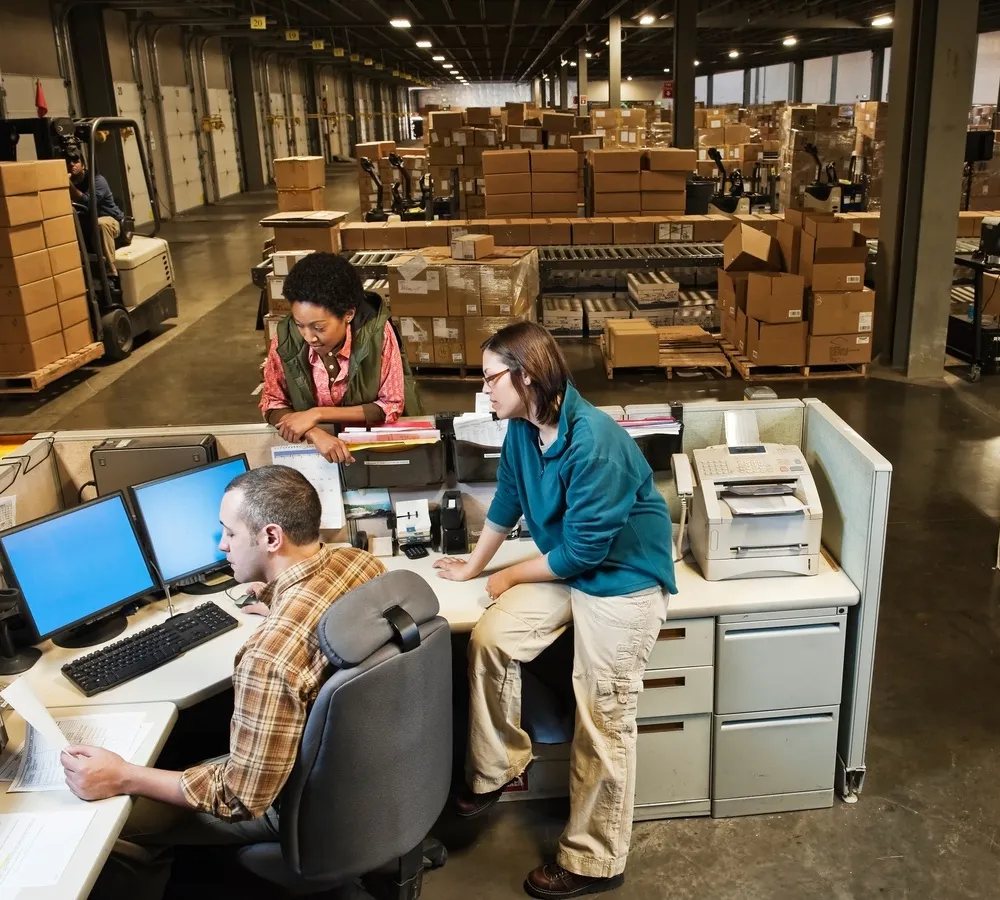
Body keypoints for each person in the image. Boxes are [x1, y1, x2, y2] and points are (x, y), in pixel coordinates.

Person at [61, 465, 386, 900]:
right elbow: (322, 614)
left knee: (120, 826)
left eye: (229, 534)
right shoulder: (360, 563)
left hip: (299, 801)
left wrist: (123, 777)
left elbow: (240, 797)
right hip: (373, 769)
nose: (221, 546)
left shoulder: (269, 658)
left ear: (271, 538)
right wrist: (278, 605)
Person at [433, 322, 676, 899]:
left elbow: (585, 551)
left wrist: (512, 573)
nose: (484, 389)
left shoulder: (596, 442)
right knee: (490, 640)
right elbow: (510, 498)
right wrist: (474, 565)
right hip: (568, 566)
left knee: (603, 713)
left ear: (528, 375)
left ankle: (596, 860)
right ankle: (497, 768)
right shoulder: (522, 427)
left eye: (492, 377)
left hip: (622, 577)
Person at [260, 252, 419, 463]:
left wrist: (317, 414)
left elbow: (390, 405)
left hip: (376, 448)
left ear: (348, 315)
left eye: (319, 327)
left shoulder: (377, 334)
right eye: (300, 325)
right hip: (317, 453)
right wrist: (313, 433)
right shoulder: (286, 337)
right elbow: (272, 403)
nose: (308, 337)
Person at [67, 151, 124, 279]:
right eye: (68, 162)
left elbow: (88, 202)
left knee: (100, 224)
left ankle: (110, 268)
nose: (72, 165)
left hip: (110, 220)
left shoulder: (97, 180)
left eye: (76, 161)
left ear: (83, 164)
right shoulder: (67, 184)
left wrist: (69, 185)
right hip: (85, 223)